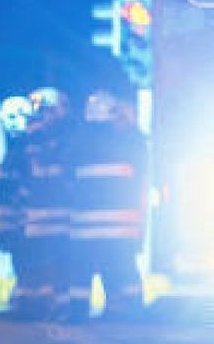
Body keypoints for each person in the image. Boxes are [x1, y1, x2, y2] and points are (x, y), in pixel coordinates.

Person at [64, 91, 148, 322]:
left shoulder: (78, 142)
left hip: (85, 226)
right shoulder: (126, 139)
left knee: (82, 271)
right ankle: (129, 310)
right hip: (120, 226)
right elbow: (141, 167)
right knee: (121, 269)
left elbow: (67, 176)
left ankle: (77, 311)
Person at [14, 87, 72, 321]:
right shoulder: (32, 138)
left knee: (59, 261)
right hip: (35, 214)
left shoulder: (70, 136)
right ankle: (35, 305)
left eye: (47, 112)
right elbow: (25, 172)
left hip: (61, 213)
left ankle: (59, 306)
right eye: (40, 113)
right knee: (35, 260)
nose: (43, 118)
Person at [0, 96, 32, 315]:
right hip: (15, 217)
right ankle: (22, 301)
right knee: (20, 259)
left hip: (25, 217)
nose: (8, 126)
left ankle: (29, 303)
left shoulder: (28, 147)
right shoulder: (16, 147)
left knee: (28, 259)